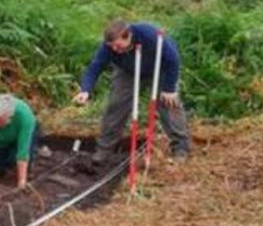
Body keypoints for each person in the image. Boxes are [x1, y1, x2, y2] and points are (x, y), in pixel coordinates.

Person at [73, 18, 190, 163]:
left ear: (128, 36)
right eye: (111, 47)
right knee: (117, 104)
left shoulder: (149, 35)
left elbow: (172, 59)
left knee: (168, 104)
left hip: (160, 68)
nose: (114, 50)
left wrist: (169, 89)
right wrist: (85, 90)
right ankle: (104, 150)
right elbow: (95, 67)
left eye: (117, 46)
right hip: (127, 70)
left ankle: (180, 148)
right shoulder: (108, 47)